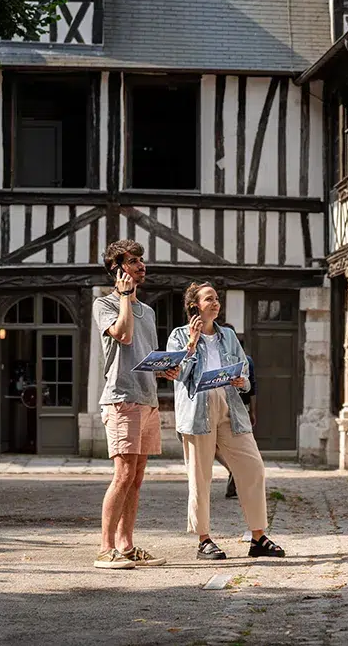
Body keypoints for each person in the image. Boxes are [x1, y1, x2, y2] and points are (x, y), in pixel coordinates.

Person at [167, 282, 285, 560]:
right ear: (195, 305)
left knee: (253, 467)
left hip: (230, 405)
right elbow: (179, 375)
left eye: (217, 298)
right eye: (209, 299)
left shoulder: (229, 336)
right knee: (200, 476)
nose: (216, 303)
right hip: (198, 409)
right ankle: (204, 540)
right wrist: (192, 344)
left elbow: (244, 375)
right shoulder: (178, 336)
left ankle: (258, 537)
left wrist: (241, 380)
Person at [92, 239, 181, 570]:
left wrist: (166, 370)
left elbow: (145, 355)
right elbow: (124, 336)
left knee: (137, 476)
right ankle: (105, 548)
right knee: (123, 473)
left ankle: (126, 545)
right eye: (133, 261)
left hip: (147, 399)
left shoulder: (150, 311)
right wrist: (126, 296)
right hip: (121, 399)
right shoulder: (105, 305)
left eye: (142, 260)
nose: (142, 265)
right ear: (117, 269)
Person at [218, 322, 256, 500]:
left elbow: (252, 388)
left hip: (240, 407)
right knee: (215, 448)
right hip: (220, 406)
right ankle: (233, 469)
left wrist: (252, 411)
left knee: (240, 447)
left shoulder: (247, 361)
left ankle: (237, 479)